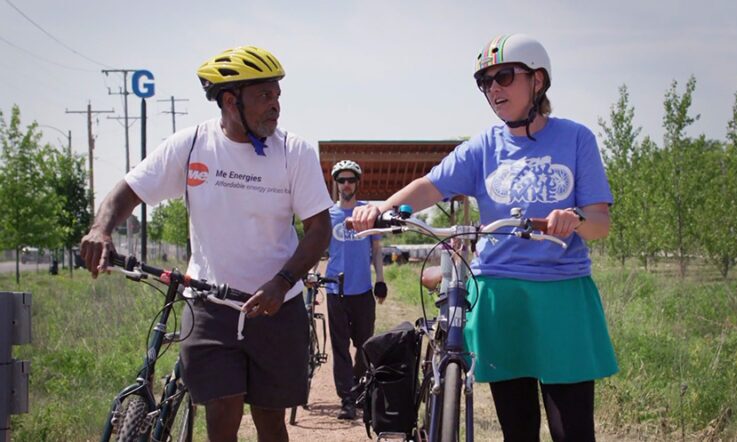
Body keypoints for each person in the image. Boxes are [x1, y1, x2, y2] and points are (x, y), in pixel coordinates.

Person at [351, 34, 618, 441]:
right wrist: (382, 208)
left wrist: (575, 217)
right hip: (499, 295)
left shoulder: (576, 138)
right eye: (485, 82)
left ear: (538, 81)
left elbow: (600, 222)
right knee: (518, 428)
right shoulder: (483, 147)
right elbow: (430, 185)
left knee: (574, 430)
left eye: (504, 76)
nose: (494, 89)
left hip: (562, 295)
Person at [80, 45, 333, 442]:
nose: (276, 106)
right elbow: (129, 189)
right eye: (265, 95)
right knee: (221, 414)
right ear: (231, 101)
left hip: (277, 309)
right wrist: (101, 228)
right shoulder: (193, 144)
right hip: (210, 308)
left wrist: (282, 282)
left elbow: (319, 228)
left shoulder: (294, 152)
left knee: (270, 422)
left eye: (278, 95)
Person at [325, 160, 387, 420]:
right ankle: (347, 399)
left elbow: (376, 249)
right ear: (336, 184)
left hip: (362, 289)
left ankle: (361, 392)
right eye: (342, 180)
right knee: (339, 348)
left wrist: (380, 280)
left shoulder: (368, 213)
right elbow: (316, 247)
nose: (346, 184)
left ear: (357, 183)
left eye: (351, 180)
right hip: (334, 288)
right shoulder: (327, 215)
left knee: (364, 345)